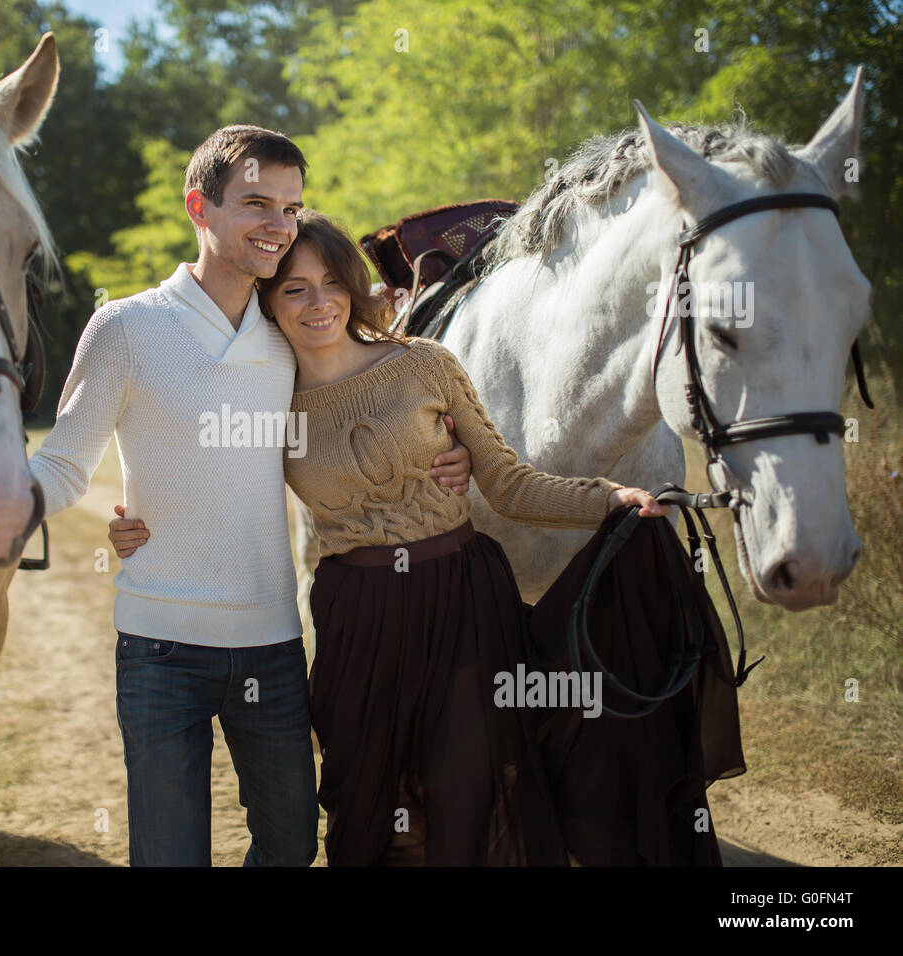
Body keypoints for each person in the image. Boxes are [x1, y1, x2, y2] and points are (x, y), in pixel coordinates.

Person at [0, 126, 474, 866]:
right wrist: (5, 500)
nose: (278, 224)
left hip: (272, 644)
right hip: (160, 648)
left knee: (292, 844)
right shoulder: (126, 327)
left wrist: (445, 452)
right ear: (199, 206)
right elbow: (68, 464)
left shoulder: (290, 333)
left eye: (292, 208)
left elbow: (361, 411)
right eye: (258, 203)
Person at [109, 209, 693, 866]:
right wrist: (135, 517)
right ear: (269, 299)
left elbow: (509, 485)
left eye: (331, 282)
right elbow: (207, 476)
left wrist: (610, 501)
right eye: (294, 288)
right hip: (357, 618)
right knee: (367, 804)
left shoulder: (425, 365)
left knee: (470, 792)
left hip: (463, 605)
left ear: (354, 288)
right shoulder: (268, 398)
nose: (318, 302)